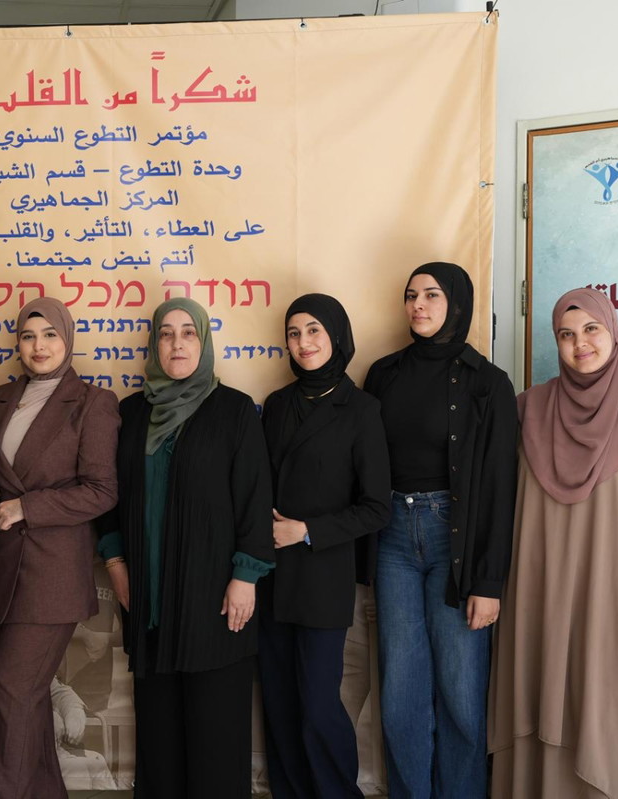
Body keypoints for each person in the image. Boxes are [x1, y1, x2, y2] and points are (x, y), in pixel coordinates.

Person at [489, 287, 618, 798]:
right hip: (533, 600)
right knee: (534, 707)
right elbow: (494, 501)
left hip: (609, 603)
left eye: (592, 329)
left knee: (605, 721)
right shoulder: (527, 410)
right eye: (566, 334)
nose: (580, 343)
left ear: (613, 332)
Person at [100, 297, 274, 799]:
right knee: (159, 742)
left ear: (204, 341)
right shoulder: (131, 412)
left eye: (188, 333)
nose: (177, 344)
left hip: (215, 599)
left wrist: (245, 576)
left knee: (215, 739)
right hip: (149, 599)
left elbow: (254, 497)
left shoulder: (234, 409)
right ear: (154, 344)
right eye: (166, 334)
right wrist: (115, 561)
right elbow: (109, 494)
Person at [362, 262, 518, 799]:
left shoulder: (488, 383)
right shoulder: (383, 374)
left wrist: (488, 582)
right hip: (392, 537)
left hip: (457, 539)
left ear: (457, 302)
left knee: (460, 692)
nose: (418, 305)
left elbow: (499, 487)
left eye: (431, 295)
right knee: (400, 691)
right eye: (411, 295)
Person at [0, 296, 120, 799]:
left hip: (51, 576)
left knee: (13, 692)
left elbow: (101, 492)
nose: (39, 346)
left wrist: (28, 507)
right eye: (28, 336)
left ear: (67, 339)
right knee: (21, 702)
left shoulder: (94, 402)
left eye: (50, 334)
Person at [258, 293, 391, 799]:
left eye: (313, 330)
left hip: (322, 575)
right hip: (270, 575)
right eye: (294, 333)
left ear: (336, 335)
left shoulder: (361, 409)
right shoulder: (277, 404)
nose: (303, 342)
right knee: (279, 705)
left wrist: (307, 531)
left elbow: (376, 507)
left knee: (317, 706)